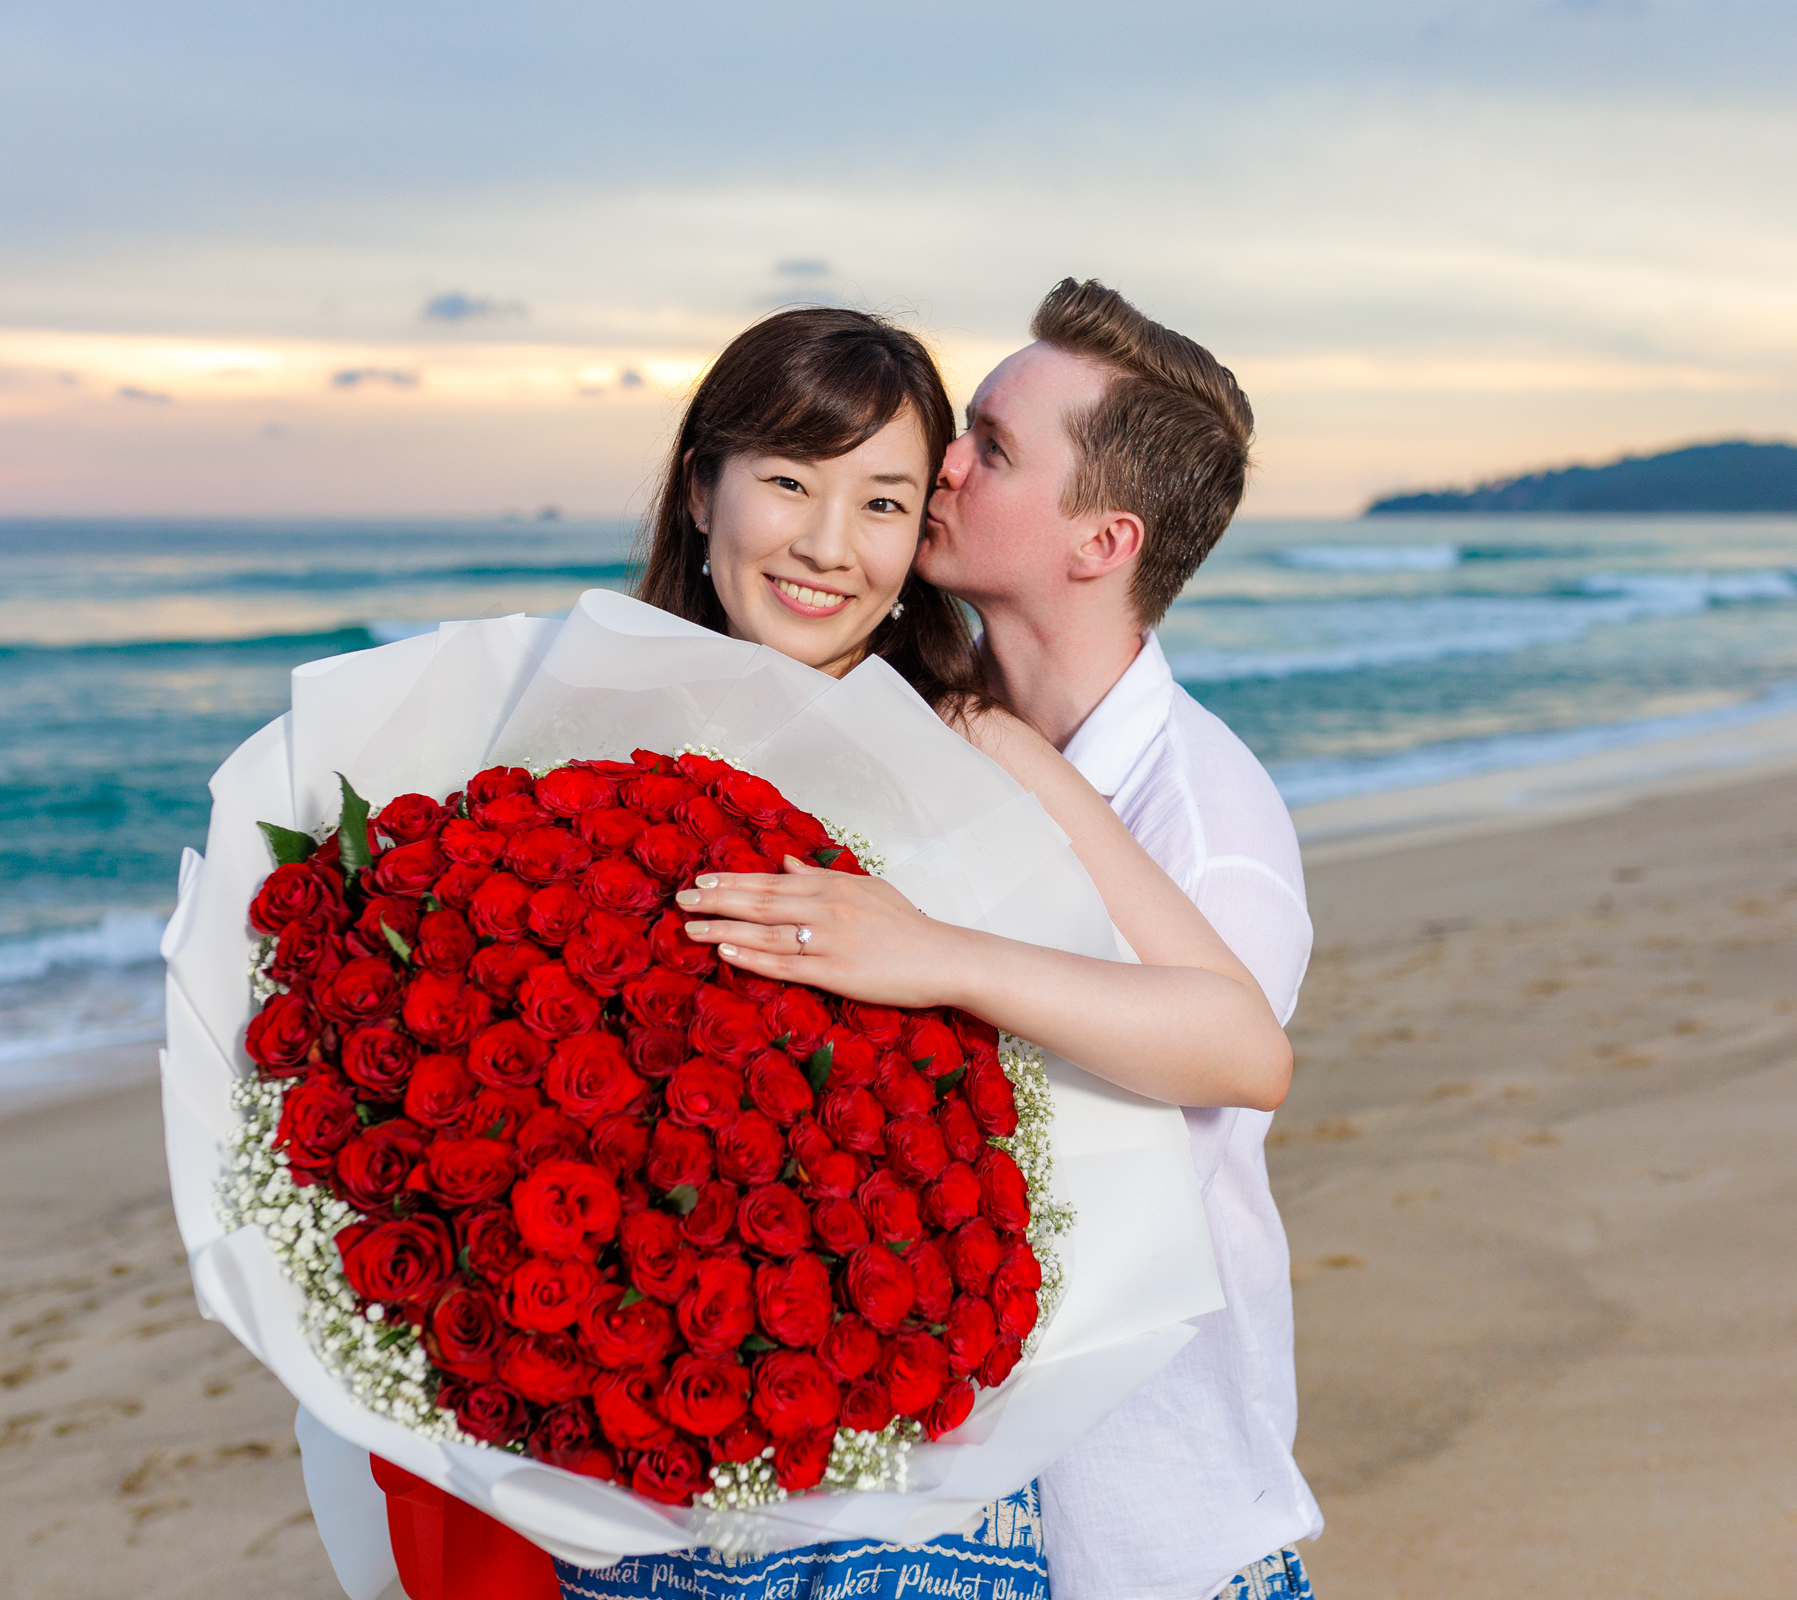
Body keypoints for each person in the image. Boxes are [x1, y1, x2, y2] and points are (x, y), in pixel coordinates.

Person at [341, 304, 1292, 1600]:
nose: (829, 546)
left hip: (916, 1521)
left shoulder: (974, 743)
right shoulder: (564, 746)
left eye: (887, 503)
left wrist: (934, 953)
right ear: (700, 489)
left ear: (920, 535)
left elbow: (1241, 1045)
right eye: (790, 481)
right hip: (631, 1499)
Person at [707, 281, 1325, 1600]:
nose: (942, 463)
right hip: (940, 1506)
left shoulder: (1204, 828)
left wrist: (932, 952)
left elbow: (1223, 1060)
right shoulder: (932, 733)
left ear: (1100, 542)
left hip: (1149, 1526)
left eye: (989, 443)